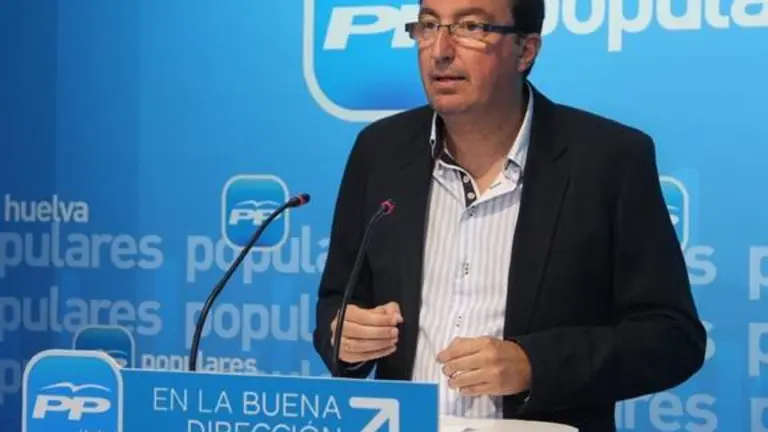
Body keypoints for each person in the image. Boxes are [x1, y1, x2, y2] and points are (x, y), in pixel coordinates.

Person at [312, 0, 707, 430]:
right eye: (428, 25)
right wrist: (346, 339)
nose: (440, 50)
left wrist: (534, 365)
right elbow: (337, 303)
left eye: (471, 27)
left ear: (525, 50)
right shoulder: (379, 152)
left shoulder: (608, 161)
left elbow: (671, 336)